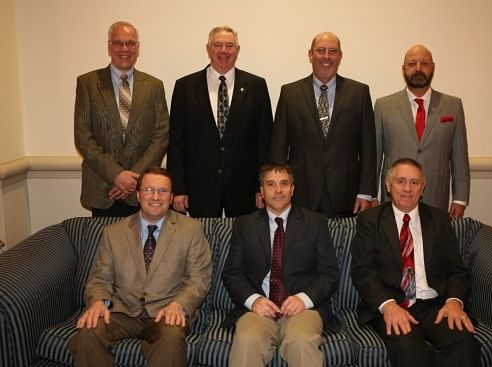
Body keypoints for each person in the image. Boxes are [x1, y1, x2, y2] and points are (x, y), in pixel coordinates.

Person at [69, 167, 212, 366]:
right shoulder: (113, 233)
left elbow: (199, 279)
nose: (156, 196)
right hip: (122, 311)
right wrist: (99, 302)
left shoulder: (191, 230)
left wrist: (178, 305)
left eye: (163, 191)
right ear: (138, 195)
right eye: (149, 190)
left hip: (166, 311)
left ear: (171, 197)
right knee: (88, 332)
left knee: (171, 338)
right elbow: (99, 278)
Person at [350, 158, 480, 367]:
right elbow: (362, 271)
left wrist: (454, 302)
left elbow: (457, 270)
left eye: (414, 182)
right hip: (392, 304)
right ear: (388, 185)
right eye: (401, 181)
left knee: (465, 343)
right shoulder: (370, 221)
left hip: (433, 306)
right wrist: (387, 306)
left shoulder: (439, 220)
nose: (407, 189)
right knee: (410, 350)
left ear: (423, 187)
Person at [221, 162, 340, 367]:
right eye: (271, 184)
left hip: (302, 310)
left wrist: (303, 299)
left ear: (292, 189)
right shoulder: (244, 225)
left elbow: (329, 274)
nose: (278, 190)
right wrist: (254, 300)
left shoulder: (315, 223)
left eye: (284, 184)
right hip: (257, 311)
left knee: (300, 341)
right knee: (247, 341)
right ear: (262, 191)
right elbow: (232, 273)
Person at [167, 25, 273, 217]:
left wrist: (263, 186)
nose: (223, 51)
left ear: (237, 50)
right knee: (200, 244)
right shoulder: (185, 87)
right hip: (199, 188)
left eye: (229, 45)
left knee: (246, 245)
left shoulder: (257, 86)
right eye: (217, 45)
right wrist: (179, 188)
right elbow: (176, 143)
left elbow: (264, 142)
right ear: (208, 49)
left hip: (245, 189)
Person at [270, 32, 377, 218]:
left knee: (342, 245)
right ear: (310, 54)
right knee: (301, 247)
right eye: (321, 51)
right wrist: (278, 189)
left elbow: (368, 147)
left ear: (340, 56)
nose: (326, 56)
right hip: (301, 193)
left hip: (347, 194)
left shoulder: (359, 93)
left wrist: (365, 192)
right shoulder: (290, 93)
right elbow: (279, 147)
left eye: (332, 51)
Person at [74, 21, 169, 217]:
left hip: (141, 190)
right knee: (104, 246)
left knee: (142, 246)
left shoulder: (154, 86)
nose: (125, 49)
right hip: (103, 187)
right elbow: (83, 137)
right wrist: (116, 175)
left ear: (138, 48)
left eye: (131, 43)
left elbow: (161, 136)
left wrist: (134, 178)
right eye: (118, 43)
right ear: (109, 46)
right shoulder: (88, 83)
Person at [374, 44, 470, 218]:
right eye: (412, 64)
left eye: (424, 63)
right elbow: (375, 155)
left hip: (435, 196)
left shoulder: (453, 106)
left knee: (432, 243)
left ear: (433, 68)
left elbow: (460, 156)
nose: (418, 69)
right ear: (404, 69)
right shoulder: (383, 106)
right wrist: (372, 195)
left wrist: (460, 199)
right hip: (394, 197)